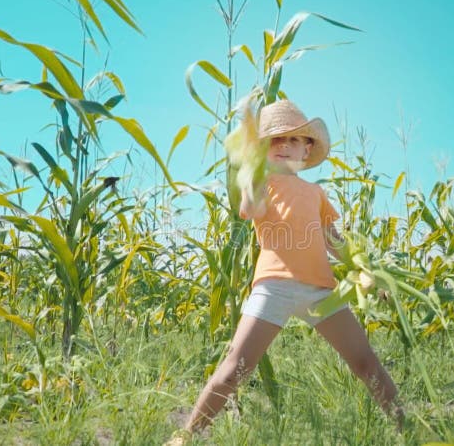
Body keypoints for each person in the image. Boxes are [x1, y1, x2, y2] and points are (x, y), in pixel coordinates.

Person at [168, 99, 403, 444]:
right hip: (274, 287)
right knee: (234, 370)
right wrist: (250, 170)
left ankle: (406, 429)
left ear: (307, 150)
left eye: (293, 140)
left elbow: (335, 243)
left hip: (321, 292)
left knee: (366, 363)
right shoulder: (262, 182)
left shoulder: (316, 193)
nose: (283, 146)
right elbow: (251, 207)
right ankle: (186, 436)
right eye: (274, 140)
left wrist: (370, 271)